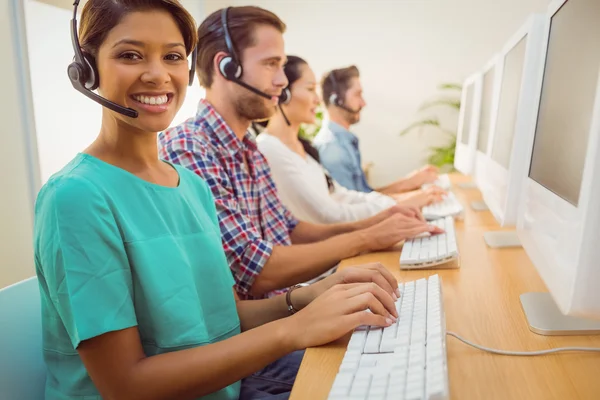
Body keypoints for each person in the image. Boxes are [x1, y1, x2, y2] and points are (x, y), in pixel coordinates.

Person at [33, 1, 405, 399]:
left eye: (173, 57)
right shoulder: (75, 198)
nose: (158, 74)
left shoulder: (191, 185)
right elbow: (126, 385)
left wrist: (309, 296)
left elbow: (224, 318)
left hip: (227, 384)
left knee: (392, 368)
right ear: (87, 68)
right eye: (130, 55)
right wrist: (294, 329)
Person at [159, 6, 443, 301]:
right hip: (264, 328)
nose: (282, 81)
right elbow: (253, 270)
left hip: (289, 304)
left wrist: (377, 222)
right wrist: (366, 238)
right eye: (271, 64)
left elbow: (290, 229)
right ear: (226, 66)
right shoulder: (191, 148)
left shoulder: (250, 149)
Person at [256, 55, 402, 224]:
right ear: (283, 94)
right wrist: (391, 207)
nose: (318, 100)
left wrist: (389, 204)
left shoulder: (303, 148)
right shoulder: (269, 149)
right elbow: (328, 215)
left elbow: (339, 195)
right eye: (310, 89)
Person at [313, 65, 447, 207]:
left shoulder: (343, 141)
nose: (363, 103)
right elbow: (355, 210)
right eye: (357, 95)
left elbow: (366, 196)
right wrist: (414, 197)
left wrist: (408, 182)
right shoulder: (333, 150)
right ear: (336, 100)